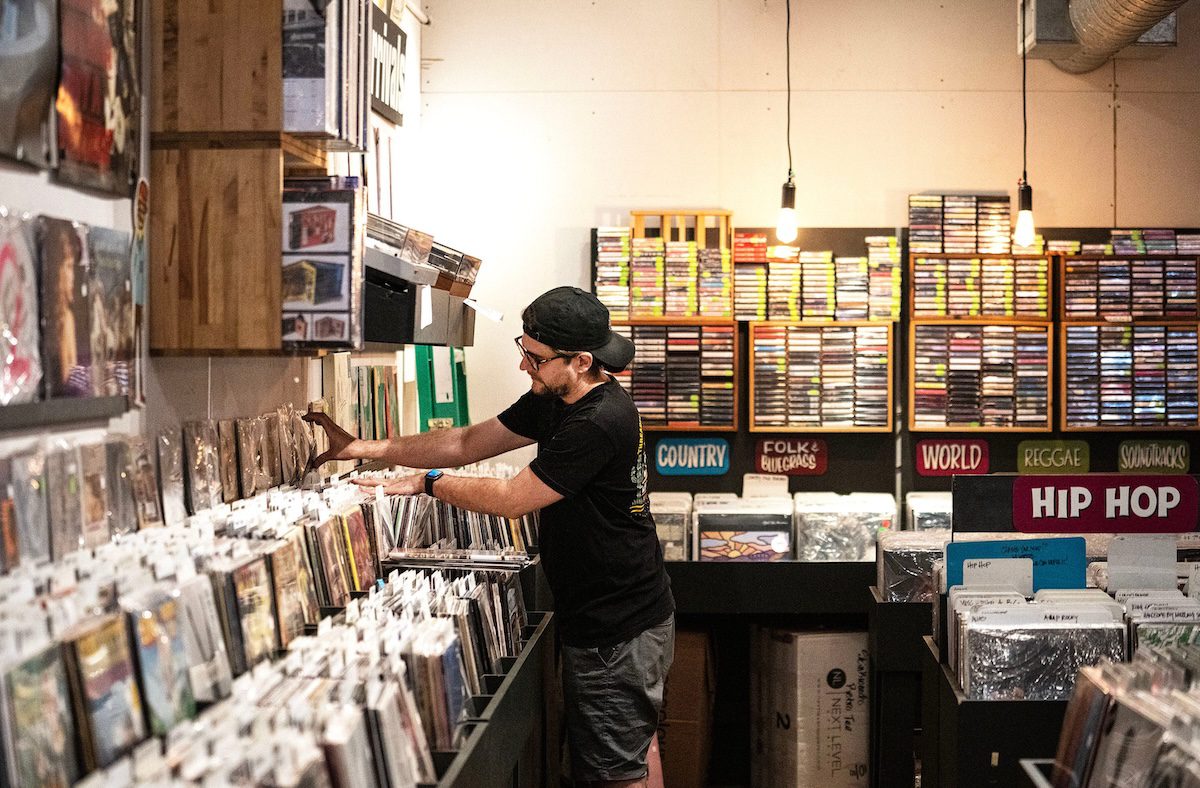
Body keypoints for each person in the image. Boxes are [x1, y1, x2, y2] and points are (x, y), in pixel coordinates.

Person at [305, 286, 675, 788]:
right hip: (614, 613)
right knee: (632, 748)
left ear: (582, 360)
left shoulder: (598, 419)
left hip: (617, 625)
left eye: (536, 358)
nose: (525, 366)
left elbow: (511, 499)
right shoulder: (559, 396)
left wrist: (427, 483)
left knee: (615, 770)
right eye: (524, 350)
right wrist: (366, 447)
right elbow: (467, 441)